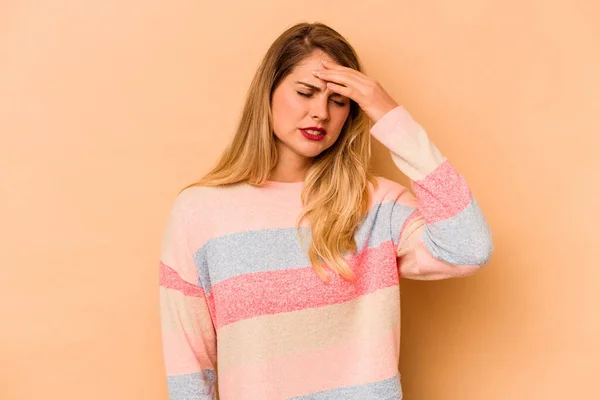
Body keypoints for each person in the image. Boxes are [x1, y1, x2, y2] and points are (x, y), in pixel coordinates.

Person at [158, 21, 493, 400]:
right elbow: (189, 367)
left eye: (338, 101)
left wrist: (391, 116)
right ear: (267, 93)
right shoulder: (200, 212)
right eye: (306, 92)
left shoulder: (374, 204)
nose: (321, 112)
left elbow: (468, 248)